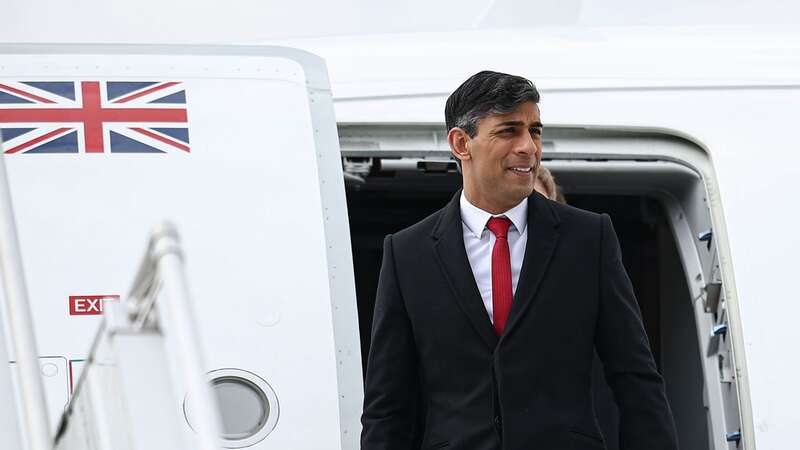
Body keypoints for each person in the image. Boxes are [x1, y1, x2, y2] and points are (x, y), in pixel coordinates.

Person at [360, 71, 678, 450]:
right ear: (462, 143)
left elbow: (636, 380)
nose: (529, 146)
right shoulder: (407, 253)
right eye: (509, 131)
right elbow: (387, 409)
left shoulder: (589, 239)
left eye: (535, 130)